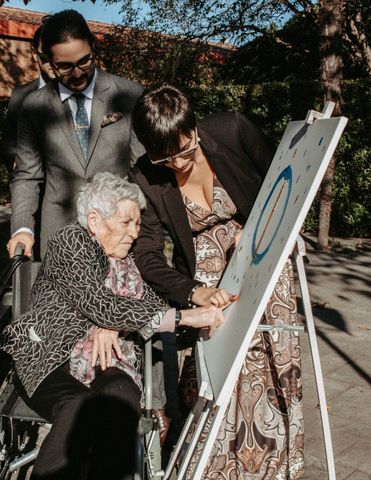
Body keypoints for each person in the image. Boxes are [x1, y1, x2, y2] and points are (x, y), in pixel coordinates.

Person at [0, 173, 226, 480]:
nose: (134, 232)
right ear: (94, 220)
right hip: (51, 358)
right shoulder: (70, 241)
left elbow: (147, 302)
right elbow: (100, 303)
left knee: (122, 398)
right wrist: (185, 317)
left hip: (108, 358)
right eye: (126, 223)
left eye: (137, 223)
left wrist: (112, 327)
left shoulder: (127, 262)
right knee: (78, 405)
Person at [130, 86, 304, 478]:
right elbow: (147, 255)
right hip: (206, 284)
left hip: (262, 261)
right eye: (165, 157)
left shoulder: (232, 129)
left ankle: (275, 470)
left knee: (268, 369)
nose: (177, 164)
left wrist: (263, 227)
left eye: (186, 150)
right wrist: (193, 291)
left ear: (194, 127)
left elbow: (287, 179)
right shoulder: (144, 175)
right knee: (214, 380)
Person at [7, 9, 145, 259]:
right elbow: (27, 176)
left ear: (93, 47)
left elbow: (142, 169)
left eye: (84, 61)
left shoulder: (129, 94)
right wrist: (23, 229)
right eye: (65, 67)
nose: (78, 73)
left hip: (119, 233)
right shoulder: (34, 106)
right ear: (48, 60)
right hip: (59, 235)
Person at [0, 19, 54, 170]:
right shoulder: (20, 95)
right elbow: (7, 144)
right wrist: (18, 163)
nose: (51, 63)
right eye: (45, 57)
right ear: (34, 52)